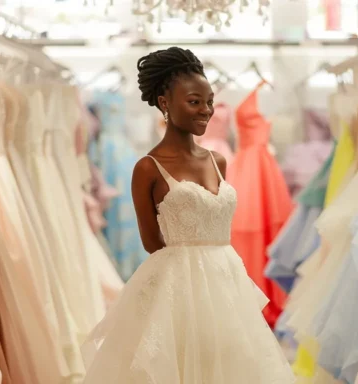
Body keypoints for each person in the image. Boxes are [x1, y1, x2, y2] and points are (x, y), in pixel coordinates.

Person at [81, 47, 295, 383]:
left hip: (228, 282)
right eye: (195, 101)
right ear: (165, 103)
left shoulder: (217, 160)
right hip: (177, 287)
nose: (206, 110)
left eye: (209, 101)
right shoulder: (147, 168)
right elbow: (153, 243)